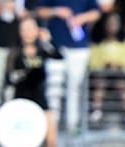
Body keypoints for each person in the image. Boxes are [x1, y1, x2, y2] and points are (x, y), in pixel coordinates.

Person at [36, 0, 101, 134]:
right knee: (54, 88)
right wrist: (57, 11)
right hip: (56, 46)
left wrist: (82, 18)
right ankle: (52, 124)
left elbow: (97, 12)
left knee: (74, 88)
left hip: (78, 47)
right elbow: (39, 10)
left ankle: (72, 124)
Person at [6, 16, 61, 147]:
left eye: (31, 29)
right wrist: (22, 74)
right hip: (21, 101)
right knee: (20, 143)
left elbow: (58, 57)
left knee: (52, 141)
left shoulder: (43, 50)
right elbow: (8, 78)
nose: (27, 33)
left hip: (41, 100)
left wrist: (48, 41)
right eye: (24, 29)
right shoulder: (15, 52)